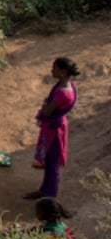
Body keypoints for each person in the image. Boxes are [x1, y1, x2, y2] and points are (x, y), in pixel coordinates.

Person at [24, 57, 80, 200]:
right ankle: (45, 190)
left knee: (53, 163)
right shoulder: (67, 86)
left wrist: (44, 107)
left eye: (54, 68)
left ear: (62, 72)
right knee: (50, 161)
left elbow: (48, 111)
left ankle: (50, 196)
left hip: (55, 129)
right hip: (55, 126)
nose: (52, 71)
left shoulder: (63, 92)